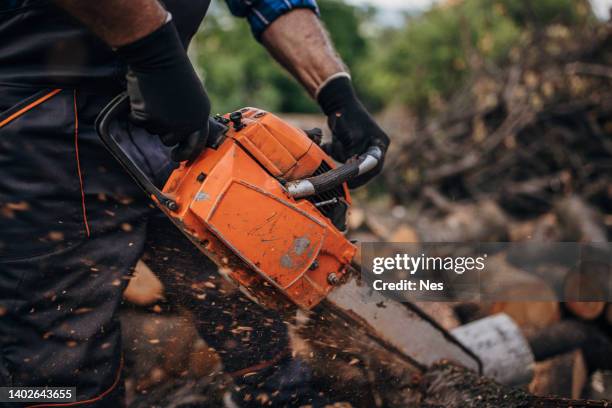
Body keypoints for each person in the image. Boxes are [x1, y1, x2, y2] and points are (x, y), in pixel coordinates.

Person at [0, 0, 389, 406]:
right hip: (38, 112)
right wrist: (156, 54)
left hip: (153, 108)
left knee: (237, 272)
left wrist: (338, 93)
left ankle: (279, 391)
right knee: (57, 352)